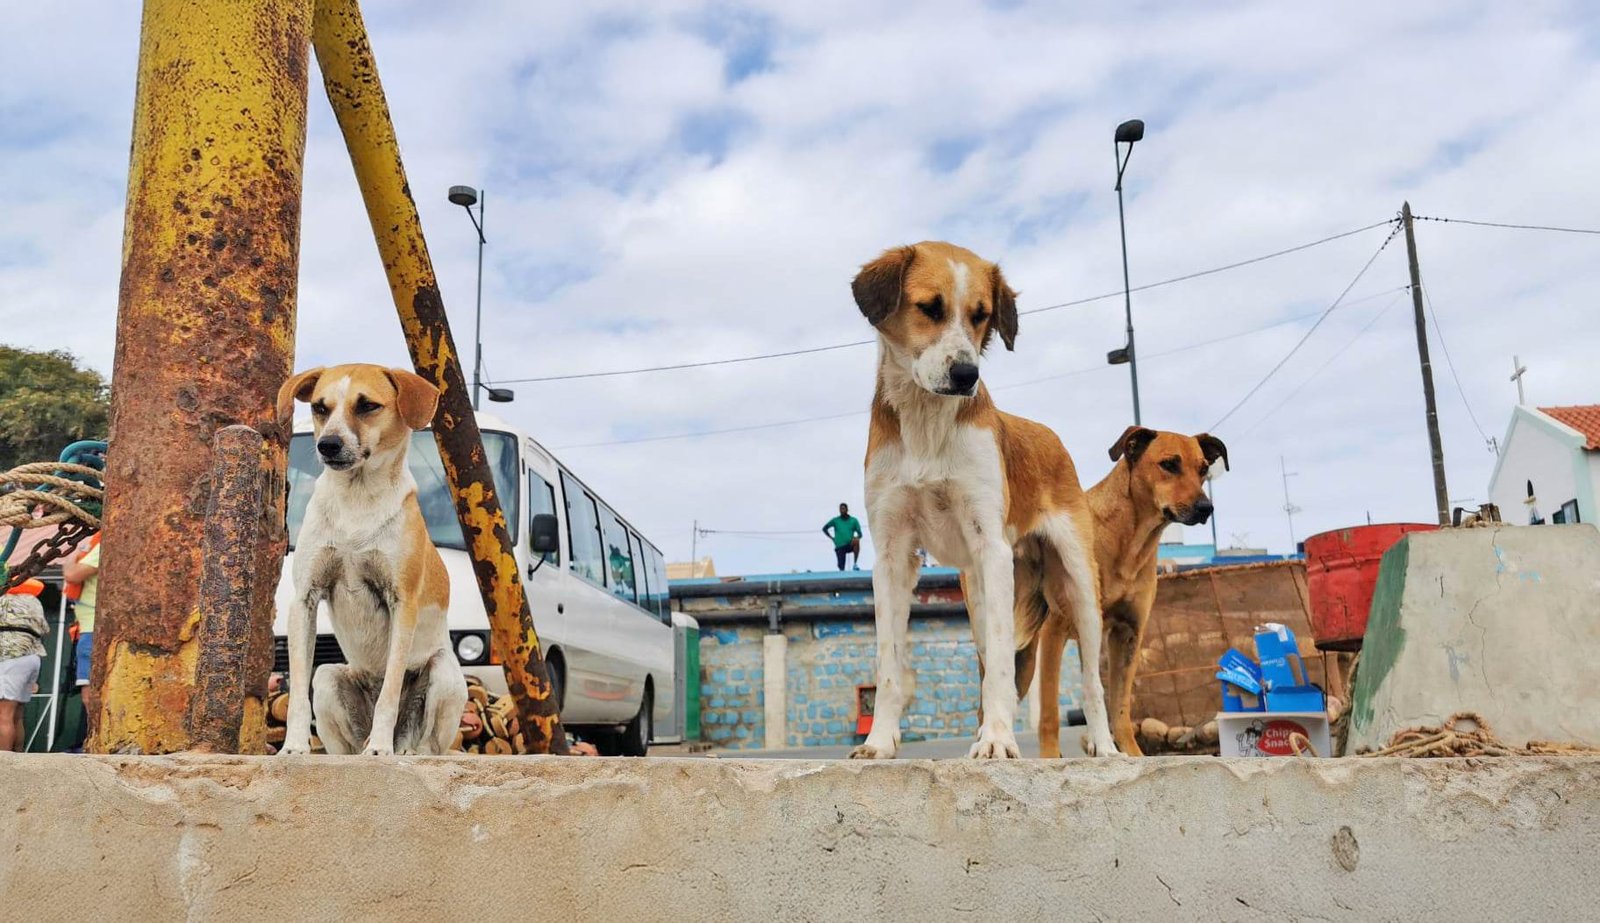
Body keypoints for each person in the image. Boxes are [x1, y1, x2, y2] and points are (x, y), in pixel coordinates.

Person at [0, 578, 50, 752]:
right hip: (31, 658)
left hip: (10, 657)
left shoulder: (2, 600)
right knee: (16, 716)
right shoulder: (33, 601)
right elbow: (46, 629)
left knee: (3, 715)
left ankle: (4, 762)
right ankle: (18, 758)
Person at [61, 536, 99, 717]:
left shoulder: (104, 544)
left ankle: (98, 742)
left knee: (90, 693)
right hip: (90, 627)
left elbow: (72, 574)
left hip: (93, 629)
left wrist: (71, 559)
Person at [822, 502, 864, 571]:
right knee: (841, 568)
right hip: (840, 546)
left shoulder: (854, 520)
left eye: (843, 509)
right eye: (840, 509)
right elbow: (824, 528)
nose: (842, 510)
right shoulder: (835, 520)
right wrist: (832, 538)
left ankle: (855, 564)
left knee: (856, 541)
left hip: (849, 544)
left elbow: (860, 534)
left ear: (847, 510)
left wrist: (856, 537)